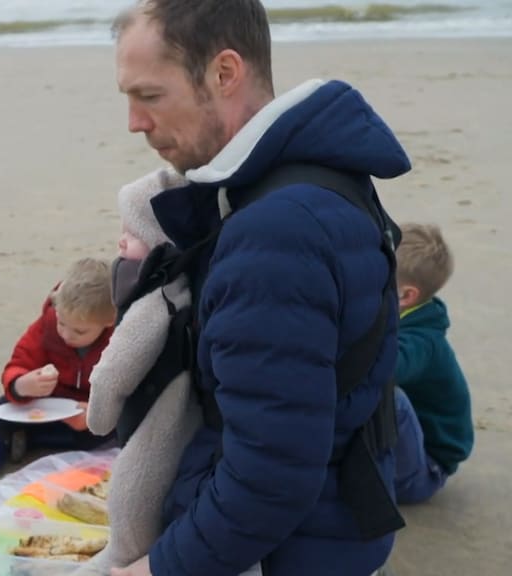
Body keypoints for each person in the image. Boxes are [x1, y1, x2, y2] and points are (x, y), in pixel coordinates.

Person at [110, 1, 411, 575]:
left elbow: (269, 479)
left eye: (149, 96)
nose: (134, 122)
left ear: (225, 73)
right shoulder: (312, 176)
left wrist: (152, 570)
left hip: (286, 552)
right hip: (329, 526)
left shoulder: (278, 230)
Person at [81, 168, 202, 573]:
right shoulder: (197, 282)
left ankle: (125, 554)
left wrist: (98, 416)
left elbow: (113, 372)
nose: (120, 241)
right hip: (194, 418)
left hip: (161, 415)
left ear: (158, 241)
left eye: (130, 234)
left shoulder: (158, 298)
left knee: (136, 487)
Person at [0, 258, 117, 487]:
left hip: (89, 415)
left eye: (79, 331)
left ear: (109, 321)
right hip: (48, 404)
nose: (67, 335)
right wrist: (21, 384)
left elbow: (129, 387)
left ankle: (27, 440)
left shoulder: (119, 340)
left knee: (111, 433)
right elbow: (19, 361)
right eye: (62, 323)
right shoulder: (48, 324)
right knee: (2, 410)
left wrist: (98, 410)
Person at [392, 222, 473, 504]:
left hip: (425, 469)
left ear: (406, 295)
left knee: (388, 396)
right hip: (406, 446)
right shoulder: (399, 314)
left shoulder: (423, 341)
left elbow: (384, 368)